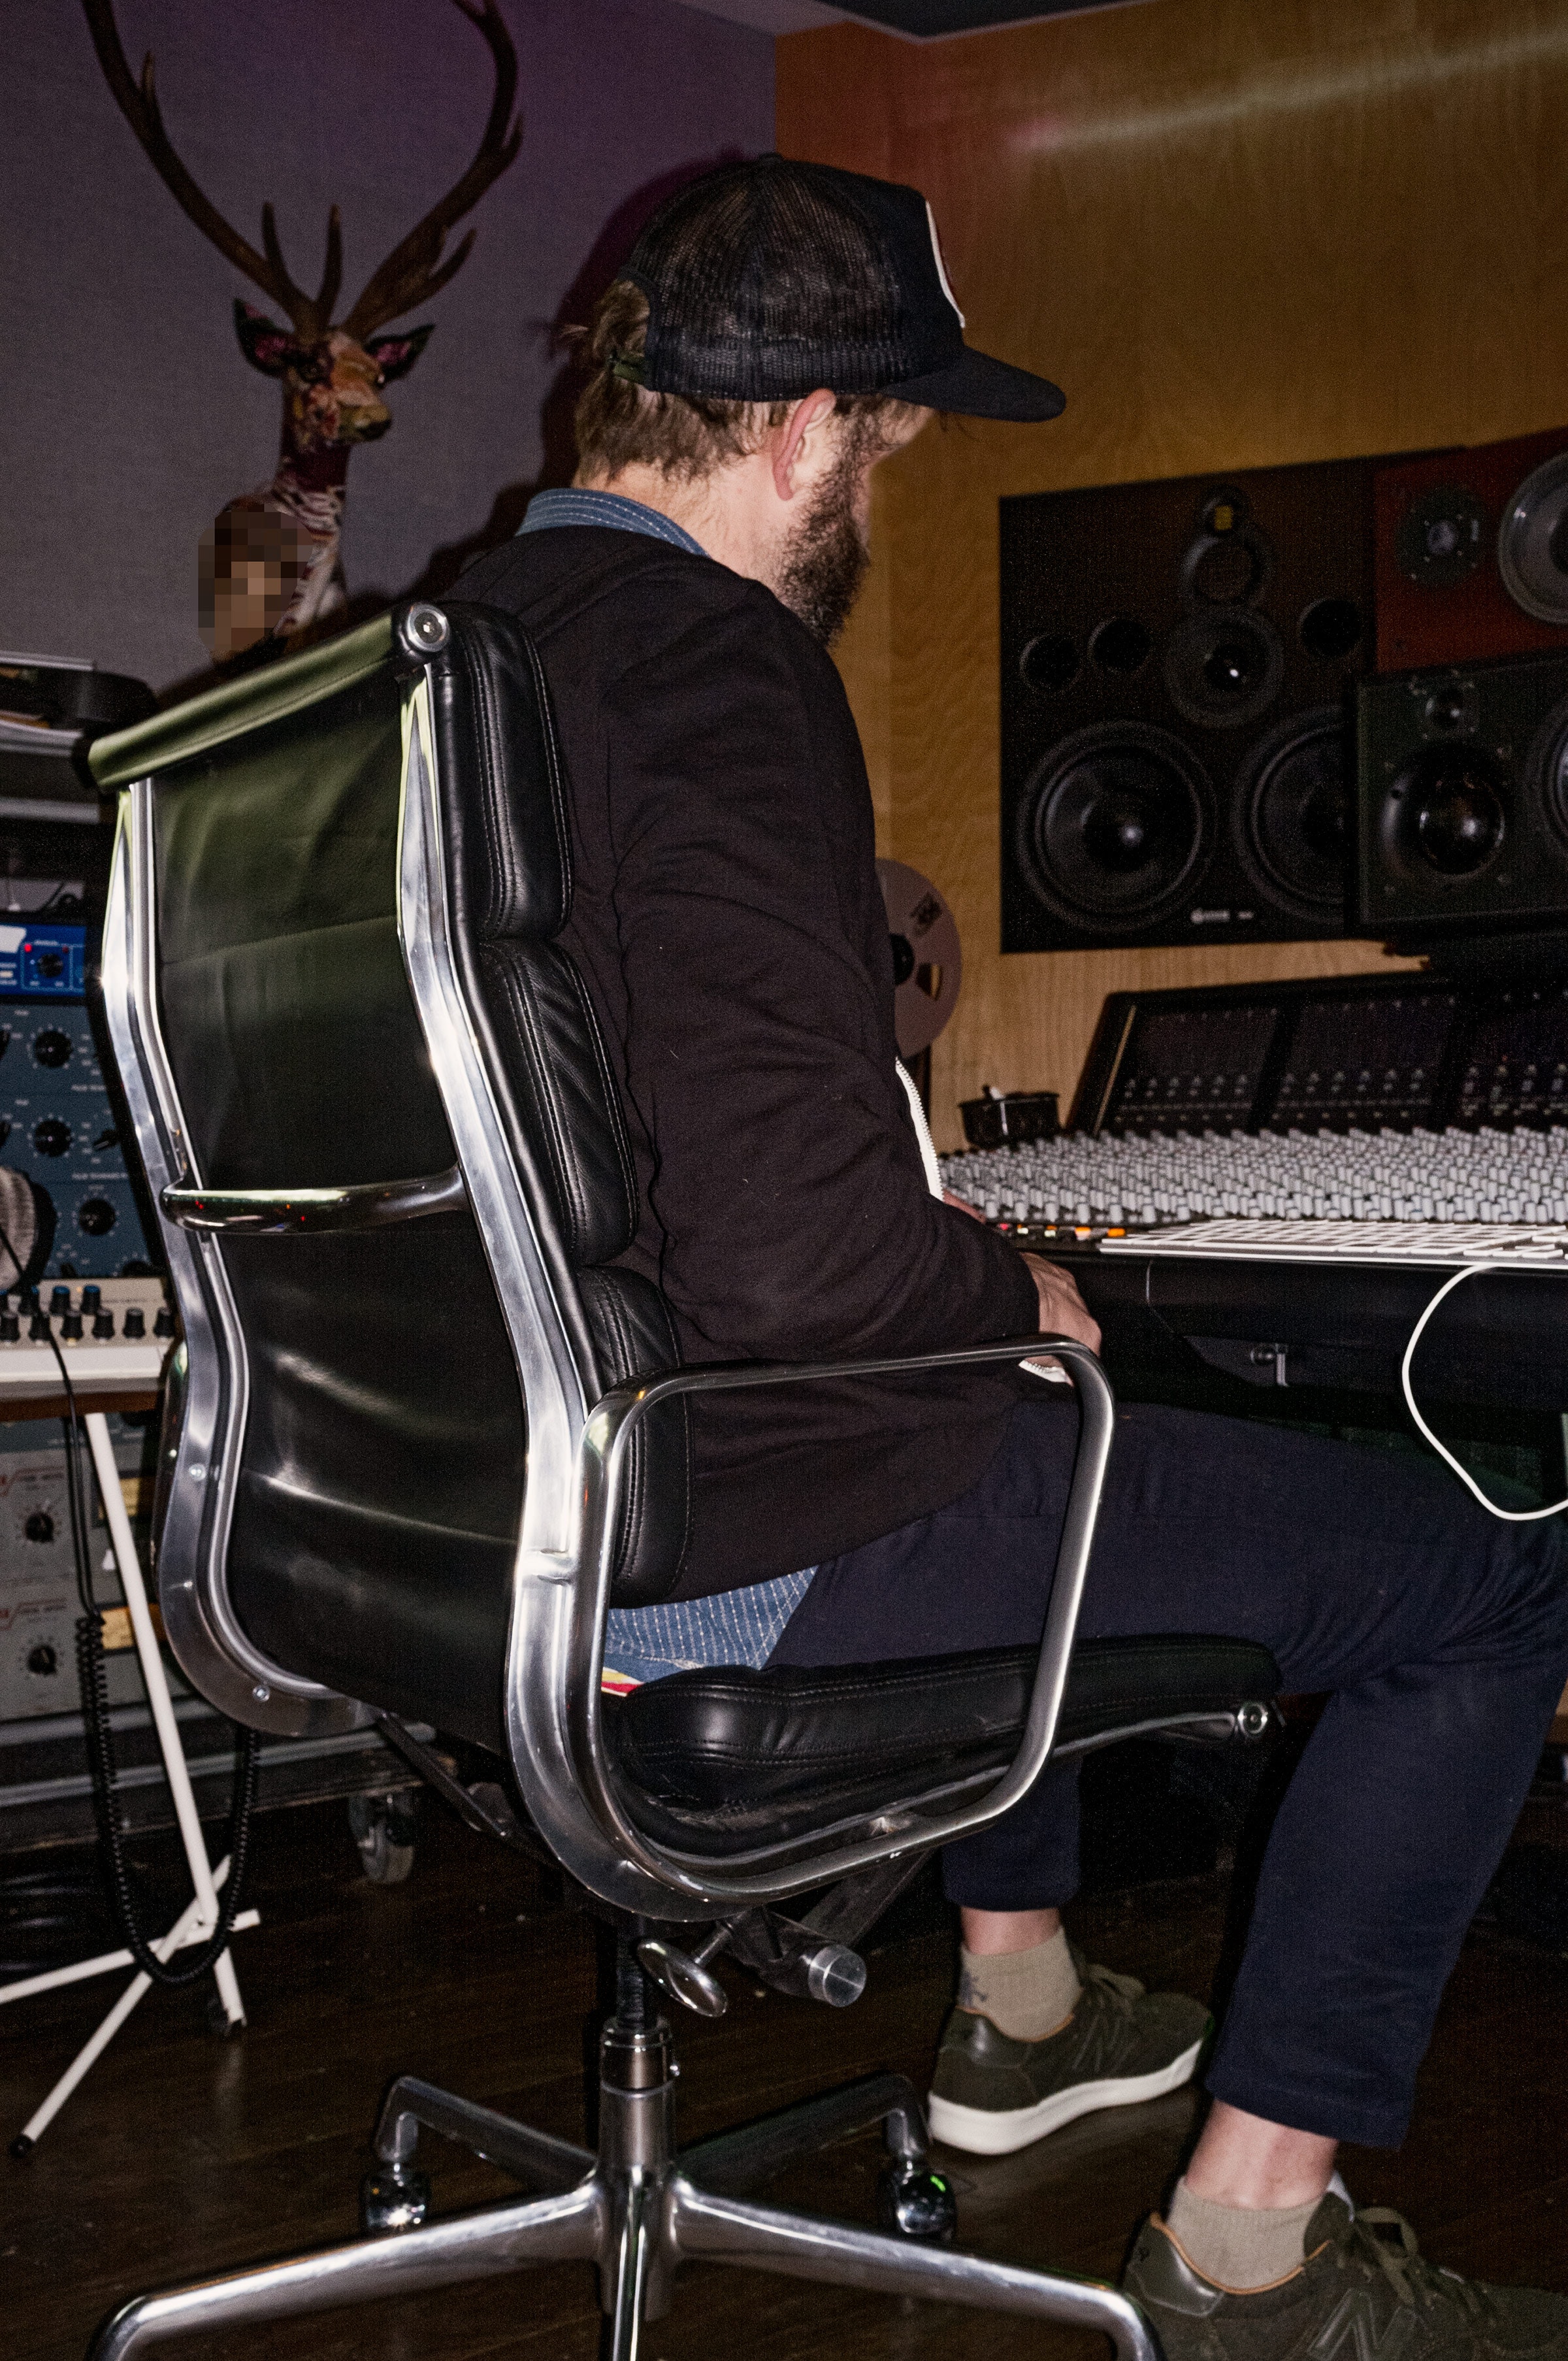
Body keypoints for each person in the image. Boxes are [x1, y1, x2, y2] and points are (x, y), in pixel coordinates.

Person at [455, 156, 1568, 2360]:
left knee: (1044, 1415)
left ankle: (1025, 2003)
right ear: (797, 430)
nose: (883, 483)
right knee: (1494, 1571)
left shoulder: (468, 641)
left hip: (490, 1525)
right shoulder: (711, 655)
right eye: (882, 440)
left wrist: (947, 1281)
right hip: (726, 1537)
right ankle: (1257, 2263)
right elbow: (800, 1273)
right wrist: (985, 1283)